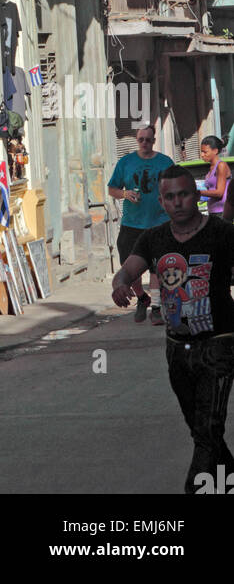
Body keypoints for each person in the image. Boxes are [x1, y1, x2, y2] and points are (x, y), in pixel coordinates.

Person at [112, 166, 234, 493]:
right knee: (201, 430)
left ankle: (197, 488)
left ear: (196, 197)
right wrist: (121, 285)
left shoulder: (223, 234)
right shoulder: (153, 239)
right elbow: (126, 272)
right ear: (162, 202)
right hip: (177, 349)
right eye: (170, 197)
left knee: (208, 429)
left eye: (183, 194)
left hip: (218, 344)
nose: (177, 202)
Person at [107, 124, 173, 325]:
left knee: (156, 267)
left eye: (148, 139)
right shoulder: (126, 162)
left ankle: (155, 307)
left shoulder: (165, 162)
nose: (144, 143)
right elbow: (112, 189)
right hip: (132, 224)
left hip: (159, 223)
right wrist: (125, 194)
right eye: (141, 139)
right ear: (137, 140)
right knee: (128, 265)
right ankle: (141, 297)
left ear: (154, 141)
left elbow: (175, 185)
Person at [198, 136, 231, 215]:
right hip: (213, 211)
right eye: (201, 152)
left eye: (205, 152)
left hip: (222, 212)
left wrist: (198, 192)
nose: (202, 155)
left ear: (215, 151)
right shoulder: (211, 168)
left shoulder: (221, 165)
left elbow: (219, 193)